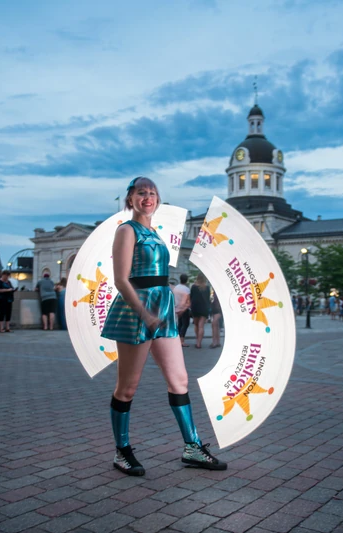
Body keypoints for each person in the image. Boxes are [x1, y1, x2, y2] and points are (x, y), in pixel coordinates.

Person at [99, 176, 226, 476]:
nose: (148, 197)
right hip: (136, 309)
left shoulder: (155, 233)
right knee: (127, 387)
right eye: (141, 193)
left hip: (163, 308)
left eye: (152, 193)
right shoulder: (126, 230)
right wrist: (144, 314)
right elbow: (121, 280)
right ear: (130, 199)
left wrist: (168, 306)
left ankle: (192, 446)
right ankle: (122, 451)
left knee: (179, 380)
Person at [190, 273, 211, 349]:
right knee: (201, 326)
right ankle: (199, 343)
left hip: (195, 307)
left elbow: (191, 297)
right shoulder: (207, 287)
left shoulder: (193, 287)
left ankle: (197, 340)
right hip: (204, 308)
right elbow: (208, 298)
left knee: (196, 325)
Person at [172, 273, 192, 347]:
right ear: (186, 280)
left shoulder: (176, 288)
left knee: (179, 324)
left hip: (177, 308)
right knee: (185, 324)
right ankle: (182, 341)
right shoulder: (187, 289)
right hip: (184, 309)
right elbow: (188, 301)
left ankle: (177, 340)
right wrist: (185, 308)